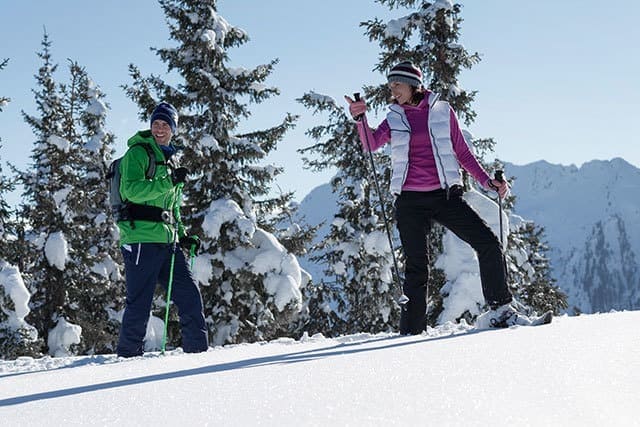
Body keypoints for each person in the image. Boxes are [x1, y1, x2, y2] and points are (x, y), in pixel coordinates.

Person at [345, 61, 534, 334]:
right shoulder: (395, 116)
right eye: (390, 86)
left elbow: (463, 153)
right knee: (417, 267)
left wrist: (487, 182)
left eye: (397, 84)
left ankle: (501, 310)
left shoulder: (442, 112)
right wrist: (360, 119)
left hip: (445, 197)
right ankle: (411, 332)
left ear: (413, 85)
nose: (392, 90)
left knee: (489, 244)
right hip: (410, 201)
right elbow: (371, 144)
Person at [115, 102, 208, 357]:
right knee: (140, 303)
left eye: (165, 124)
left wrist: (184, 235)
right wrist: (168, 181)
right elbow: (130, 190)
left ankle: (198, 356)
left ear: (173, 129)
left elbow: (173, 209)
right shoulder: (137, 153)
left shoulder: (170, 161)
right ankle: (128, 358)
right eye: (156, 123)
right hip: (140, 238)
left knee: (189, 295)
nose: (159, 128)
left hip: (169, 242)